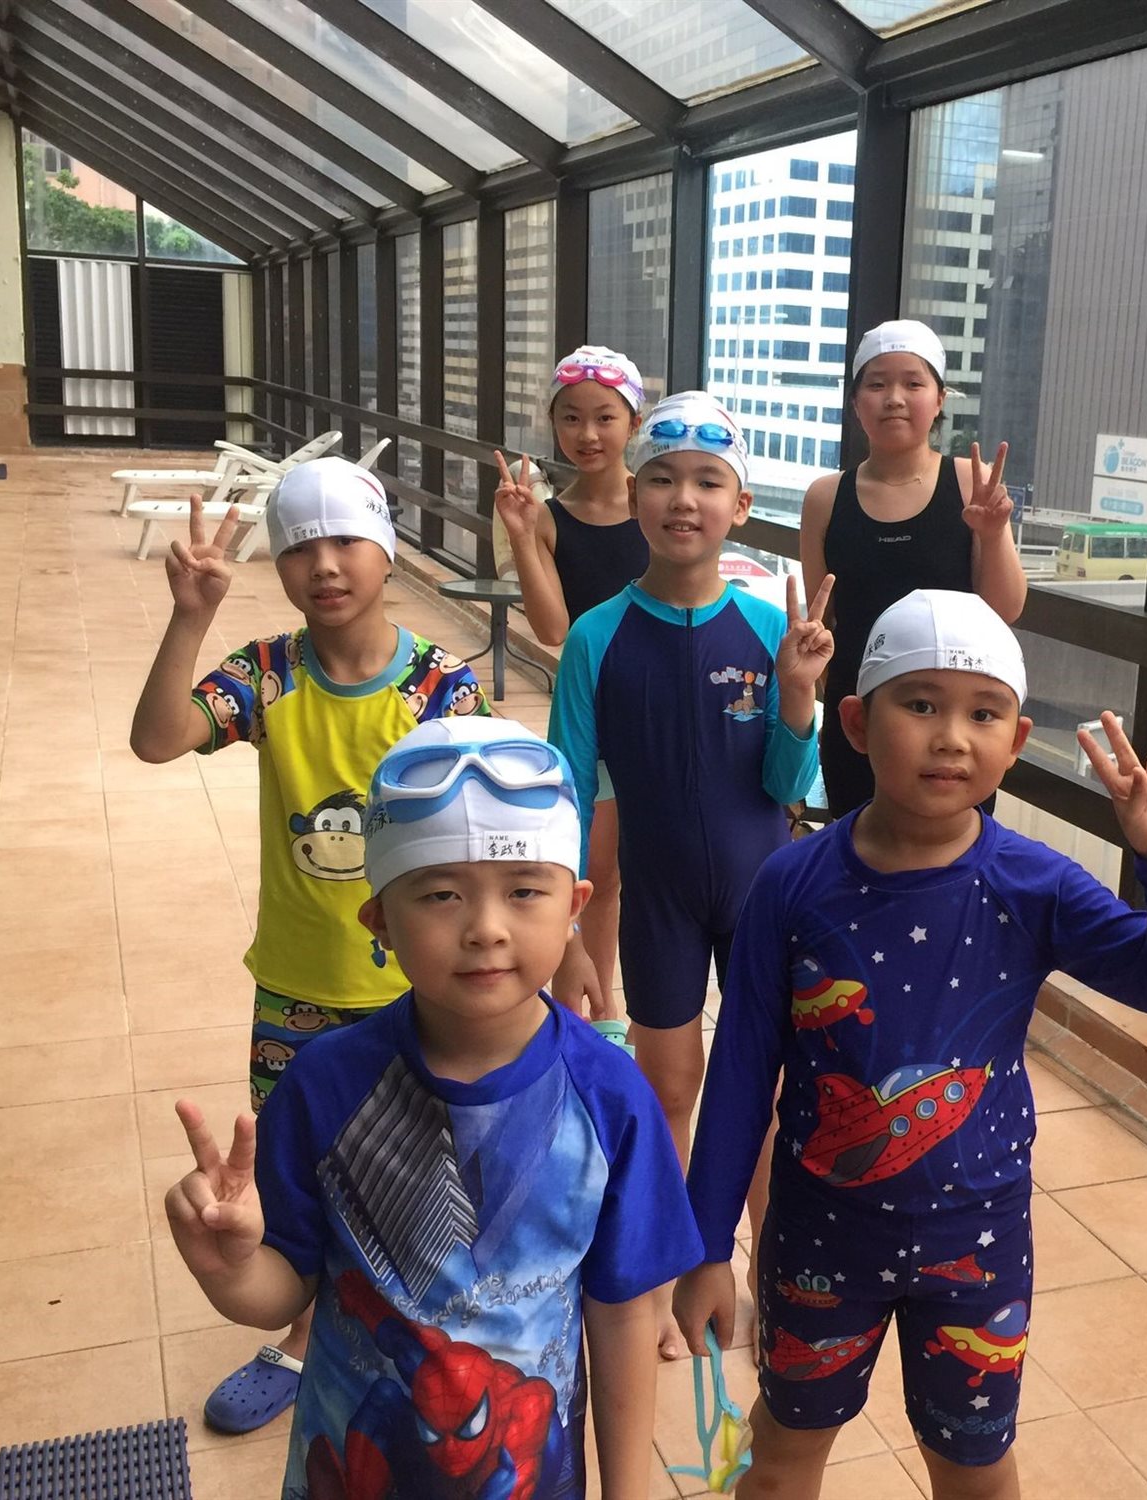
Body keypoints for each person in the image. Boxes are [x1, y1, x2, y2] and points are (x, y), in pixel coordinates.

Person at [673, 590, 1147, 1499]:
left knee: (975, 1469)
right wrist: (703, 1249)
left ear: (1017, 742)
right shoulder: (792, 884)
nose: (951, 739)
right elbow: (739, 1074)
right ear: (858, 722)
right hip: (820, 1234)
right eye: (921, 704)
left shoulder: (1035, 884)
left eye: (983, 714)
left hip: (980, 1238)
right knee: (782, 1458)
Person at [165, 716, 702, 1499]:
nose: (485, 929)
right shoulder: (326, 1087)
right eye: (441, 894)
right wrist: (232, 1269)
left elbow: (623, 1315)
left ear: (574, 906)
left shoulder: (611, 1101)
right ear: (379, 919)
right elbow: (285, 1291)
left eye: (524, 891)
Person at [130, 459, 490, 1436]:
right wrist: (190, 619)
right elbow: (158, 739)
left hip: (415, 990)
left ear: (386, 550)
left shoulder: (438, 688)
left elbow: (481, 836)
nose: (324, 564)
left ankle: (417, 1332)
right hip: (295, 989)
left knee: (420, 1173)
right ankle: (302, 1335)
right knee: (296, 1173)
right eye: (300, 547)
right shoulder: (268, 674)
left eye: (345, 541)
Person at [549, 389, 828, 1355]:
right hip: (658, 901)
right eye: (663, 479)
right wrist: (567, 935)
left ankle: (768, 1271)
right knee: (670, 1087)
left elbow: (788, 789)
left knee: (766, 1101)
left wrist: (798, 697)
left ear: (739, 506)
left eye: (709, 482)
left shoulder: (763, 627)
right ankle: (677, 1274)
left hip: (763, 901)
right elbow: (567, 791)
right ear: (633, 496)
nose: (684, 499)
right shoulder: (595, 638)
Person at [799, 319, 1027, 817]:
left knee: (953, 848)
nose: (894, 399)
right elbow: (822, 620)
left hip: (953, 719)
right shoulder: (825, 497)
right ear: (856, 402)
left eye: (913, 384)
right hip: (858, 713)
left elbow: (1005, 610)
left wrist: (992, 534)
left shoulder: (969, 482)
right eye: (877, 384)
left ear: (939, 399)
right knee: (856, 836)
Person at [495, 345, 653, 1012]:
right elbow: (553, 628)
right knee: (593, 874)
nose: (587, 434)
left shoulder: (662, 503)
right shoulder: (548, 517)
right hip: (589, 711)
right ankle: (598, 1014)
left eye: (604, 417)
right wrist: (522, 535)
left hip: (659, 705)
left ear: (633, 422)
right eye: (570, 418)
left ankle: (638, 1009)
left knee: (651, 875)